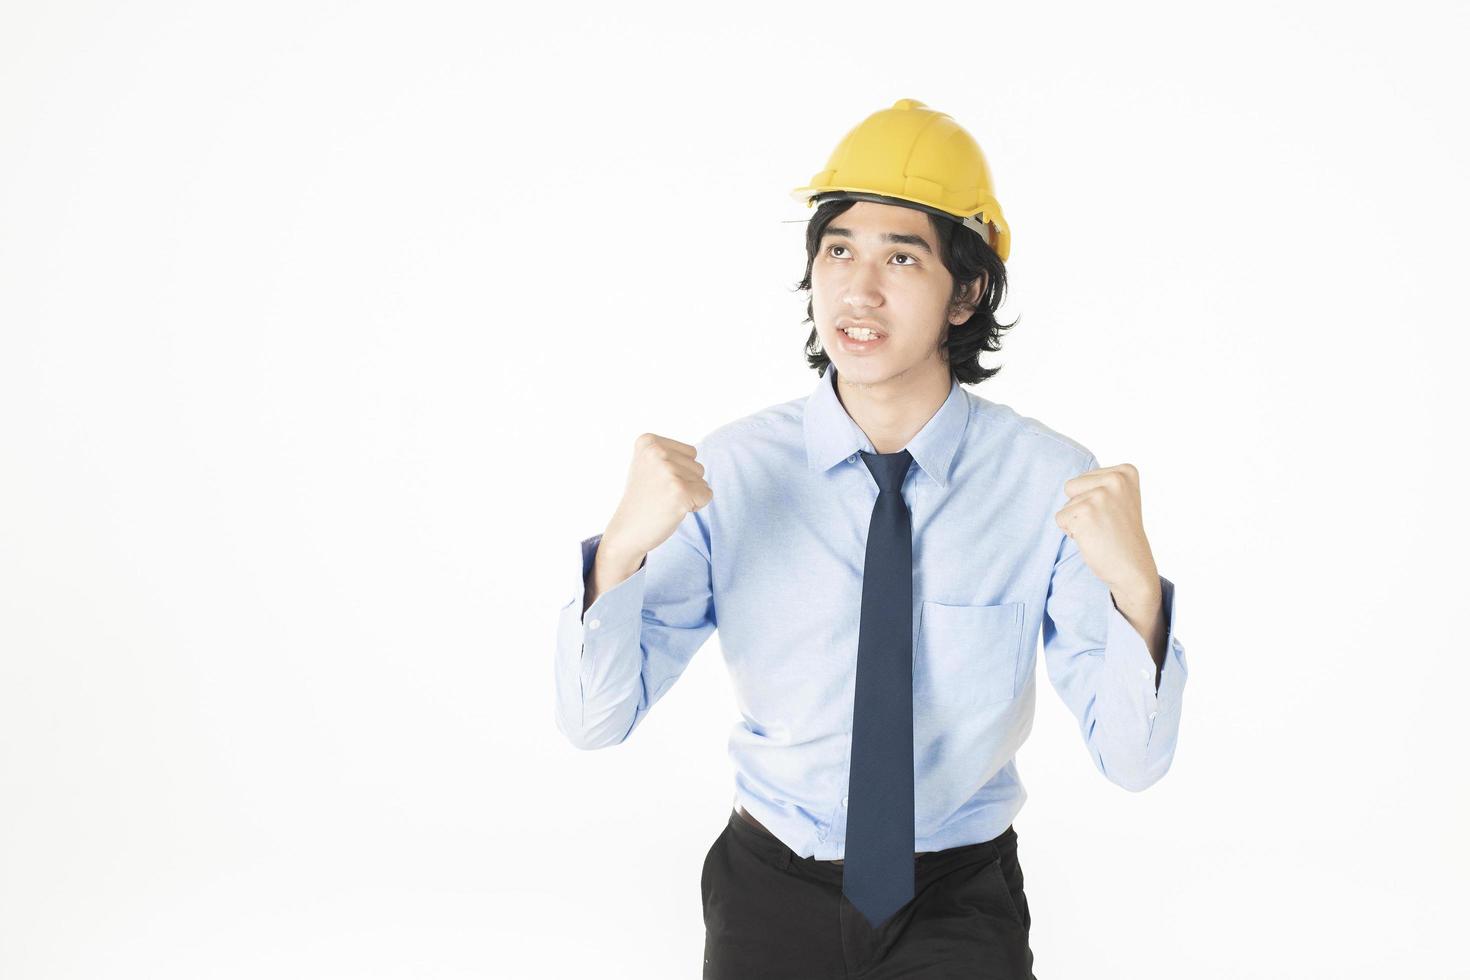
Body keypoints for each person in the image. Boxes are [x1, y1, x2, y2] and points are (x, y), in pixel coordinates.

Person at [553, 98, 1188, 979]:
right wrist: (617, 554)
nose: (859, 289)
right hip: (767, 889)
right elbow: (595, 722)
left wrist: (1138, 595)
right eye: (839, 250)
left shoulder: (1051, 484)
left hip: (959, 898)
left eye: (902, 258)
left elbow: (1133, 762)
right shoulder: (731, 472)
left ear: (966, 291)